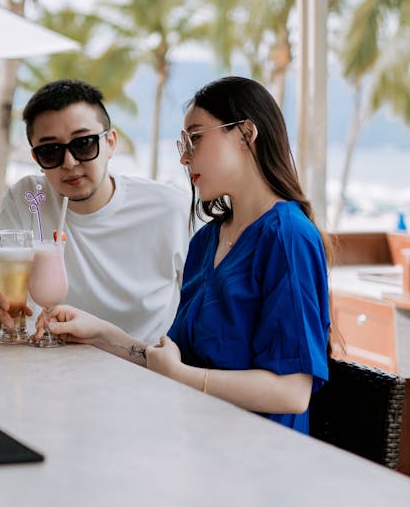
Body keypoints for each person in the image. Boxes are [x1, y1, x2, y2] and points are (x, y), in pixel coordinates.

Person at [44, 76, 332, 435]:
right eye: (183, 142)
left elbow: (291, 393)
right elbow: (172, 360)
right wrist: (99, 332)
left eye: (195, 138)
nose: (183, 156)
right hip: (194, 441)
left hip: (260, 463)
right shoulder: (206, 240)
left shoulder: (288, 238)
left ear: (245, 133)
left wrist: (182, 376)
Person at [0, 79, 189, 342]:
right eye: (51, 151)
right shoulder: (29, 198)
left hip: (143, 373)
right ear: (37, 159)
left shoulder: (169, 209)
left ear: (110, 143)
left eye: (84, 143)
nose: (69, 162)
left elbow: (203, 305)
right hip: (48, 370)